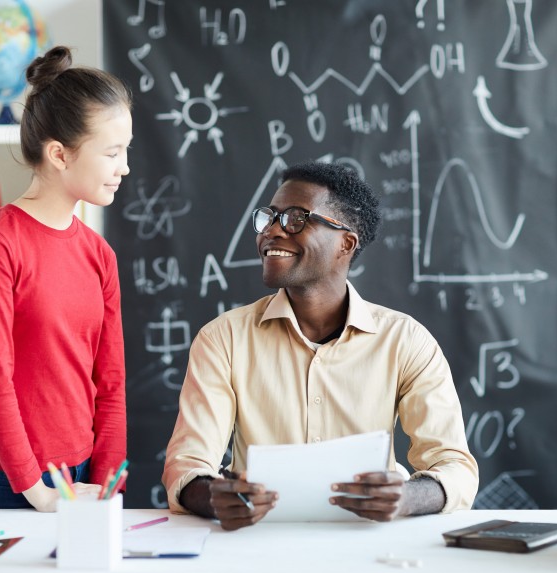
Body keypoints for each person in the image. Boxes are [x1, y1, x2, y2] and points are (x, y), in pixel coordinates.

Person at [163, 160, 478, 530]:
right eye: (270, 218)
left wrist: (407, 498)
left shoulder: (406, 341)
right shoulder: (224, 339)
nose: (272, 232)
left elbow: (455, 467)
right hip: (257, 544)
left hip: (373, 545)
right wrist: (214, 497)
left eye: (296, 219)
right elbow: (187, 466)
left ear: (345, 242)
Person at [0, 46, 132, 511]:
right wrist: (38, 492)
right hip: (7, 480)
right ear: (59, 154)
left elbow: (110, 382)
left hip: (83, 476)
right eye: (113, 152)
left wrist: (109, 485)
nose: (124, 167)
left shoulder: (99, 254)